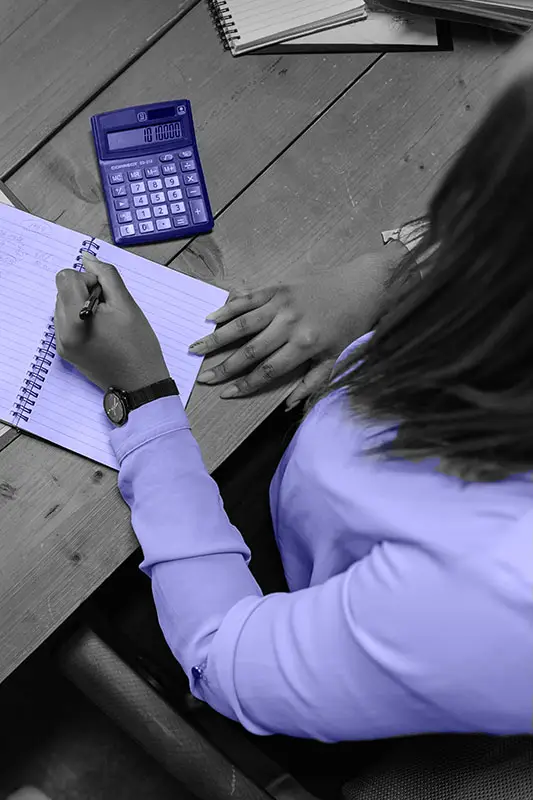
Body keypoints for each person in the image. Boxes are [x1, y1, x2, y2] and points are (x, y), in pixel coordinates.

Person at [54, 33, 533, 742]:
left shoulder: (492, 597)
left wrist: (144, 400)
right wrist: (386, 273)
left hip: (296, 625)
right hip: (325, 488)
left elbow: (222, 654)